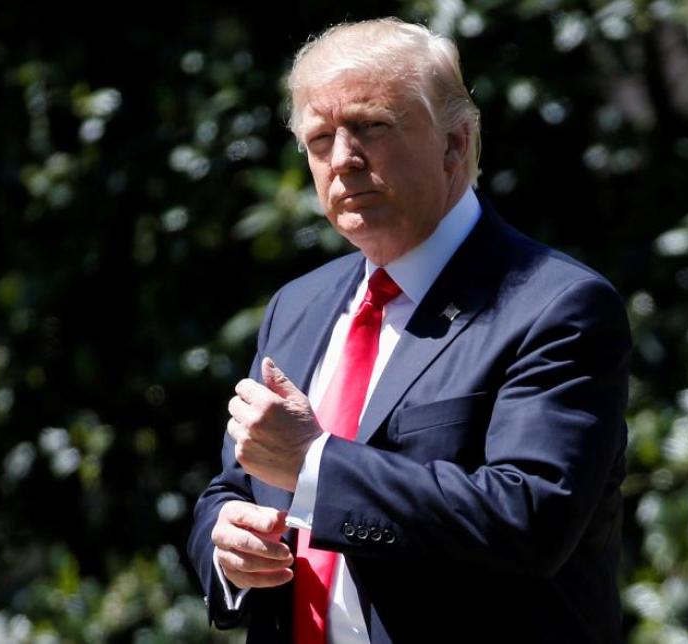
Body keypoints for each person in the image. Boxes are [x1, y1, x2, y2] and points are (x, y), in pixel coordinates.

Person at [188, 17, 632, 644]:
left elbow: (528, 517)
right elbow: (236, 483)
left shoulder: (556, 305)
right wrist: (228, 545)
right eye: (320, 139)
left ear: (456, 142)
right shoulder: (299, 304)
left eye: (371, 126)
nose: (343, 159)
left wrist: (314, 464)